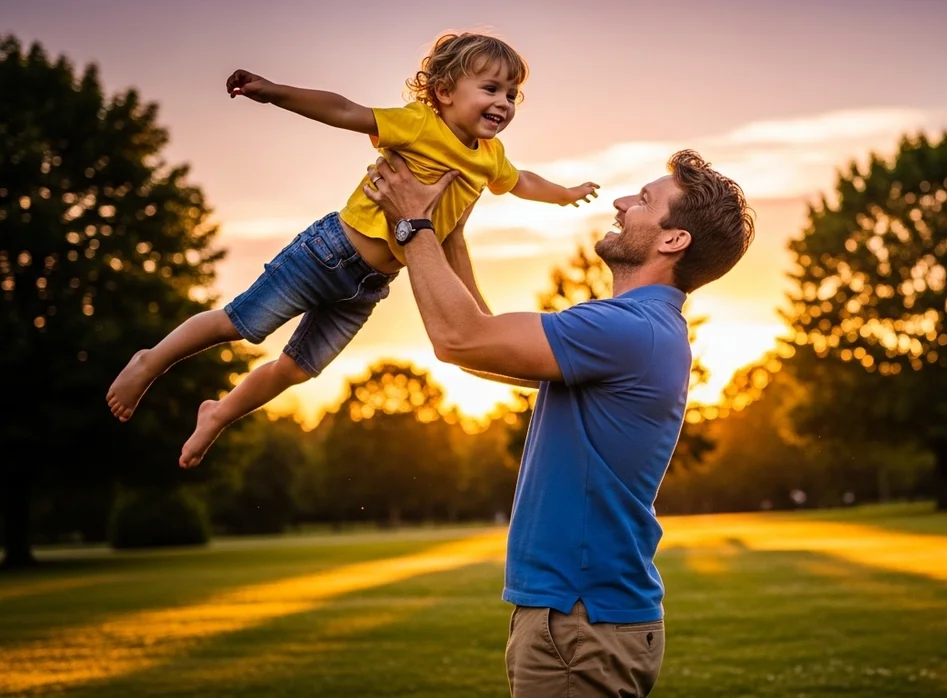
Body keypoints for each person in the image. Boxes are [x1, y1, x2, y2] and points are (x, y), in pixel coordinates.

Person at [361, 148, 754, 697]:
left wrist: (411, 224)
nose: (621, 203)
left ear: (673, 240)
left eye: (644, 200)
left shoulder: (628, 329)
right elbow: (483, 346)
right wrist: (449, 233)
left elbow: (459, 338)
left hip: (581, 622)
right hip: (583, 619)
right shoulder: (640, 329)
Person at [105, 32, 599, 468]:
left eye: (511, 94)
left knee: (296, 370)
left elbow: (523, 181)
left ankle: (219, 413)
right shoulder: (418, 125)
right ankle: (150, 360)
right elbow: (344, 110)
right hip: (328, 253)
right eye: (490, 89)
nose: (503, 103)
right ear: (445, 92)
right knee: (238, 324)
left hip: (369, 286)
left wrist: (565, 194)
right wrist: (274, 93)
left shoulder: (490, 157)